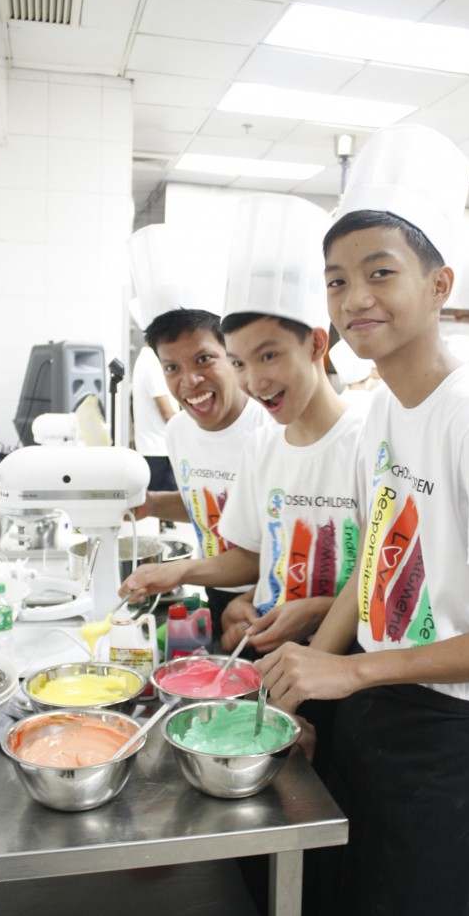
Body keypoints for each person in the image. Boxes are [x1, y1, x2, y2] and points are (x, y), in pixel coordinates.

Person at [255, 125, 469, 916]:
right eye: (337, 280)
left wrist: (353, 671)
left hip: (443, 738)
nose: (355, 296)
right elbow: (376, 560)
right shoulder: (381, 410)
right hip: (374, 705)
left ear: (439, 285)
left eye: (379, 271)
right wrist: (311, 677)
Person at [122, 193, 365, 666]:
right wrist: (232, 596)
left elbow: (382, 573)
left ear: (317, 344)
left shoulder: (370, 437)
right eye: (241, 362)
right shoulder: (264, 444)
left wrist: (316, 613)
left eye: (269, 355)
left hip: (346, 662)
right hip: (264, 638)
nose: (255, 380)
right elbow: (256, 552)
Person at [136, 305, 268, 637]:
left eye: (203, 360)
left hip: (270, 597)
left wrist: (180, 572)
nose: (190, 380)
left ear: (232, 357)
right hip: (216, 589)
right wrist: (151, 504)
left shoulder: (268, 427)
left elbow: (272, 543)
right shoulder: (178, 430)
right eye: (172, 367)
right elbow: (204, 505)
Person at [131, 342, 177, 491]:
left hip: (153, 449)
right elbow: (167, 413)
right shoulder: (153, 363)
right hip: (160, 450)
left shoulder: (144, 359)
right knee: (169, 509)